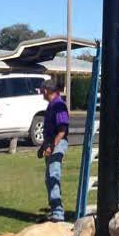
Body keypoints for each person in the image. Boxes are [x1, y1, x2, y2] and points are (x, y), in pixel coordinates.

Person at [38, 79, 70, 222]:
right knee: (48, 178)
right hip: (51, 143)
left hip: (58, 143)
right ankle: (54, 209)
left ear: (46, 90)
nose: (41, 93)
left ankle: (58, 213)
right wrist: (43, 146)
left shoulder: (58, 105)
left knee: (53, 175)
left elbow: (62, 130)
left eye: (41, 90)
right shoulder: (51, 105)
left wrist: (52, 146)